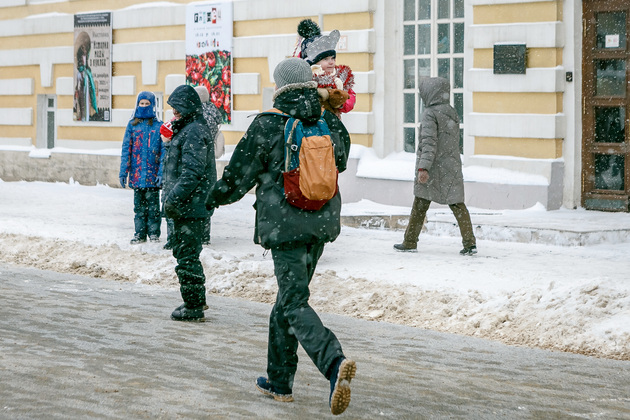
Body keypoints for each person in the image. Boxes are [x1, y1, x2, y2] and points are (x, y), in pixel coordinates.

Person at [205, 58, 356, 416]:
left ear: (280, 86)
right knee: (287, 301)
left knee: (293, 302)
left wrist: (211, 198)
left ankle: (333, 362)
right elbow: (342, 159)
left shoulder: (268, 124)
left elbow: (237, 177)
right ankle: (280, 381)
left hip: (285, 228)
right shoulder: (327, 119)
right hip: (320, 224)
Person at [394, 77, 477, 256]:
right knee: (457, 204)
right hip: (451, 165)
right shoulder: (451, 111)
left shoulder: (430, 113)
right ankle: (470, 243)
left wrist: (423, 168)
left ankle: (410, 242)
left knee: (420, 204)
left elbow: (429, 143)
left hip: (433, 168)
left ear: (429, 93)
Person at [162, 84, 214, 322]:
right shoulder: (189, 128)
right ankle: (195, 301)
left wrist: (174, 198)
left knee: (187, 256)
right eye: (173, 109)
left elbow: (192, 173)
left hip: (190, 206)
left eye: (177, 108)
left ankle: (193, 306)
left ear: (188, 107)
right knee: (186, 253)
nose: (174, 113)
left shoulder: (193, 130)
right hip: (189, 204)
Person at [119, 91, 164, 245]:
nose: (144, 106)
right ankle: (139, 234)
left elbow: (163, 152)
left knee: (153, 208)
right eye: (141, 103)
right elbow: (126, 149)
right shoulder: (132, 125)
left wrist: (161, 173)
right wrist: (123, 172)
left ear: (153, 106)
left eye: (147, 103)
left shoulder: (159, 126)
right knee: (139, 208)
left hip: (152, 176)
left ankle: (154, 233)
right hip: (137, 175)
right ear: (137, 105)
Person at [296, 19, 355, 118]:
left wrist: (340, 102)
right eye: (325, 59)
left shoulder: (339, 78)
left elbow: (351, 99)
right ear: (314, 63)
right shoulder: (305, 79)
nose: (331, 62)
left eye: (333, 58)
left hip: (331, 122)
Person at [193, 85, 221, 246]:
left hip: (198, 156)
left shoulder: (197, 113)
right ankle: (205, 234)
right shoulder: (213, 111)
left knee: (197, 196)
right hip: (209, 158)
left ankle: (200, 233)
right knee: (206, 196)